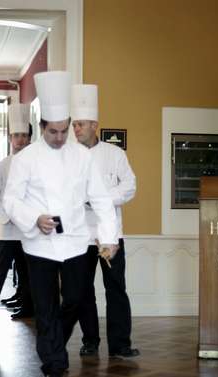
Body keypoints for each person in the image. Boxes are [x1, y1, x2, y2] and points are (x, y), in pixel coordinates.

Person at [3, 71, 118, 377]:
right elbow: (11, 199)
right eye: (53, 131)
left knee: (77, 299)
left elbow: (100, 198)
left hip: (77, 240)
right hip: (38, 243)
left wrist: (109, 237)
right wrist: (33, 217)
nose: (59, 136)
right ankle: (54, 366)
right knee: (45, 307)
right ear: (42, 128)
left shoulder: (82, 156)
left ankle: (54, 346)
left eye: (64, 130)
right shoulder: (25, 159)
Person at [71, 84, 140, 359]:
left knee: (115, 289)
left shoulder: (115, 154)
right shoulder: (67, 157)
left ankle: (120, 344)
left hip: (110, 235)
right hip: (79, 235)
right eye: (74, 125)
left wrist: (100, 199)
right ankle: (90, 341)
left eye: (82, 124)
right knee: (82, 290)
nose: (76, 129)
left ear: (95, 125)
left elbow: (130, 186)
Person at [0, 103, 33, 329]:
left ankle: (28, 308)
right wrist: (5, 216)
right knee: (0, 273)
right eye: (16, 136)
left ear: (29, 138)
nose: (20, 140)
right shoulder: (0, 167)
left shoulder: (37, 165)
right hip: (6, 229)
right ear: (10, 138)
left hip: (28, 231)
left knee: (28, 273)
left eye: (23, 136)